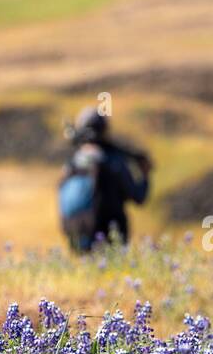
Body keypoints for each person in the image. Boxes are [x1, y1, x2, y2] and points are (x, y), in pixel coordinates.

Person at [59, 105, 151, 251]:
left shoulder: (73, 164)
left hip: (77, 236)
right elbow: (139, 196)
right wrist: (145, 174)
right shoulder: (112, 162)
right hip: (110, 240)